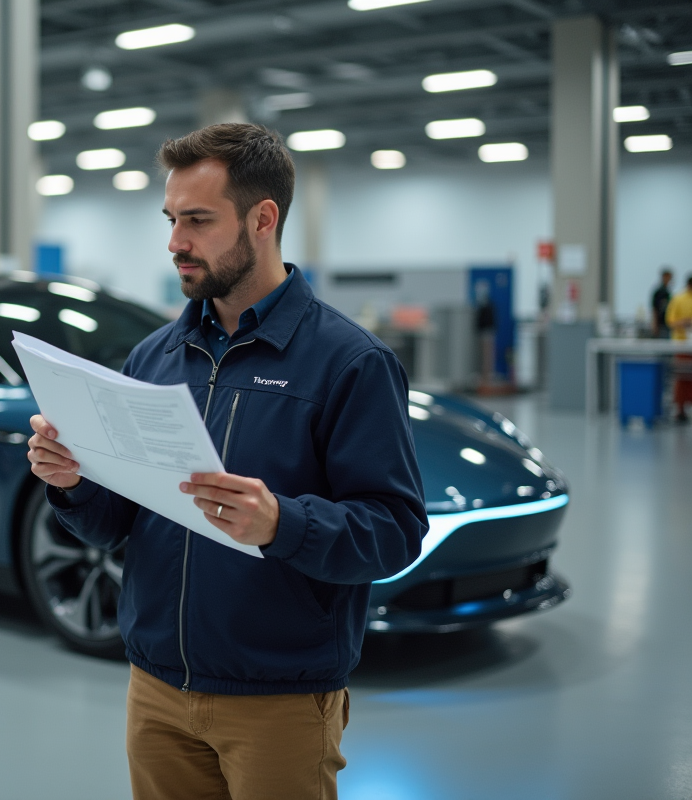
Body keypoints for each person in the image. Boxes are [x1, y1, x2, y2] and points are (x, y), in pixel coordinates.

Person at [27, 124, 428, 800]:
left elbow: (394, 531)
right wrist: (70, 486)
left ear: (262, 220)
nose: (175, 241)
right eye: (171, 218)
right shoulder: (153, 357)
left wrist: (281, 524)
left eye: (197, 220)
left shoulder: (349, 363)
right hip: (155, 687)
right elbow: (114, 523)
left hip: (277, 700)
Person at [666, 273, 692, 423]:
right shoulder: (678, 299)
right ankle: (680, 409)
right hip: (681, 343)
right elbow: (670, 321)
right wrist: (683, 323)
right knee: (681, 377)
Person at [652, 267, 673, 338]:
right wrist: (655, 324)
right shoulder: (659, 292)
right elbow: (655, 309)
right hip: (661, 324)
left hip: (668, 323)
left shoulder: (668, 292)